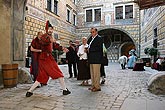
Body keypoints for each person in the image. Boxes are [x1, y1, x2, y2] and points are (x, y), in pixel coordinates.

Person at [26, 20, 71, 97]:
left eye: (51, 29)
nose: (50, 30)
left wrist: (63, 48)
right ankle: (64, 90)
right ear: (47, 29)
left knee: (42, 77)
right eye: (49, 29)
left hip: (45, 59)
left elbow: (55, 45)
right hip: (46, 58)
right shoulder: (44, 36)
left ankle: (29, 91)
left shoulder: (50, 37)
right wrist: (50, 40)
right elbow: (43, 42)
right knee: (59, 73)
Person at [87, 27, 103, 92]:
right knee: (92, 73)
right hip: (92, 58)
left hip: (96, 59)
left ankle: (97, 87)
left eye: (93, 32)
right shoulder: (91, 39)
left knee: (96, 73)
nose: (92, 33)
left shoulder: (99, 38)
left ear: (96, 32)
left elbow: (99, 48)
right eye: (91, 32)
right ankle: (93, 85)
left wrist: (89, 49)